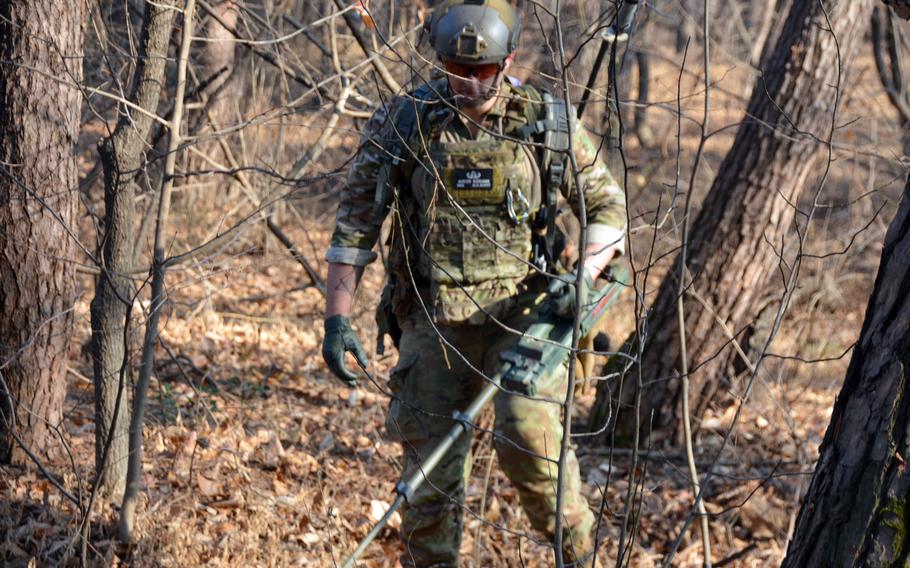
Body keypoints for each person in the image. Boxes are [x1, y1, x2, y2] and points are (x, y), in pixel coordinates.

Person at [321, 1, 626, 565]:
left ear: (507, 62)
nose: (468, 83)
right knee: (428, 482)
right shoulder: (405, 122)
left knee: (531, 444)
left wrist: (582, 276)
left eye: (482, 71)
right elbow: (355, 221)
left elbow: (608, 204)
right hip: (433, 321)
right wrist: (337, 318)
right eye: (455, 70)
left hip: (525, 317)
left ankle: (580, 558)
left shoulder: (546, 122)